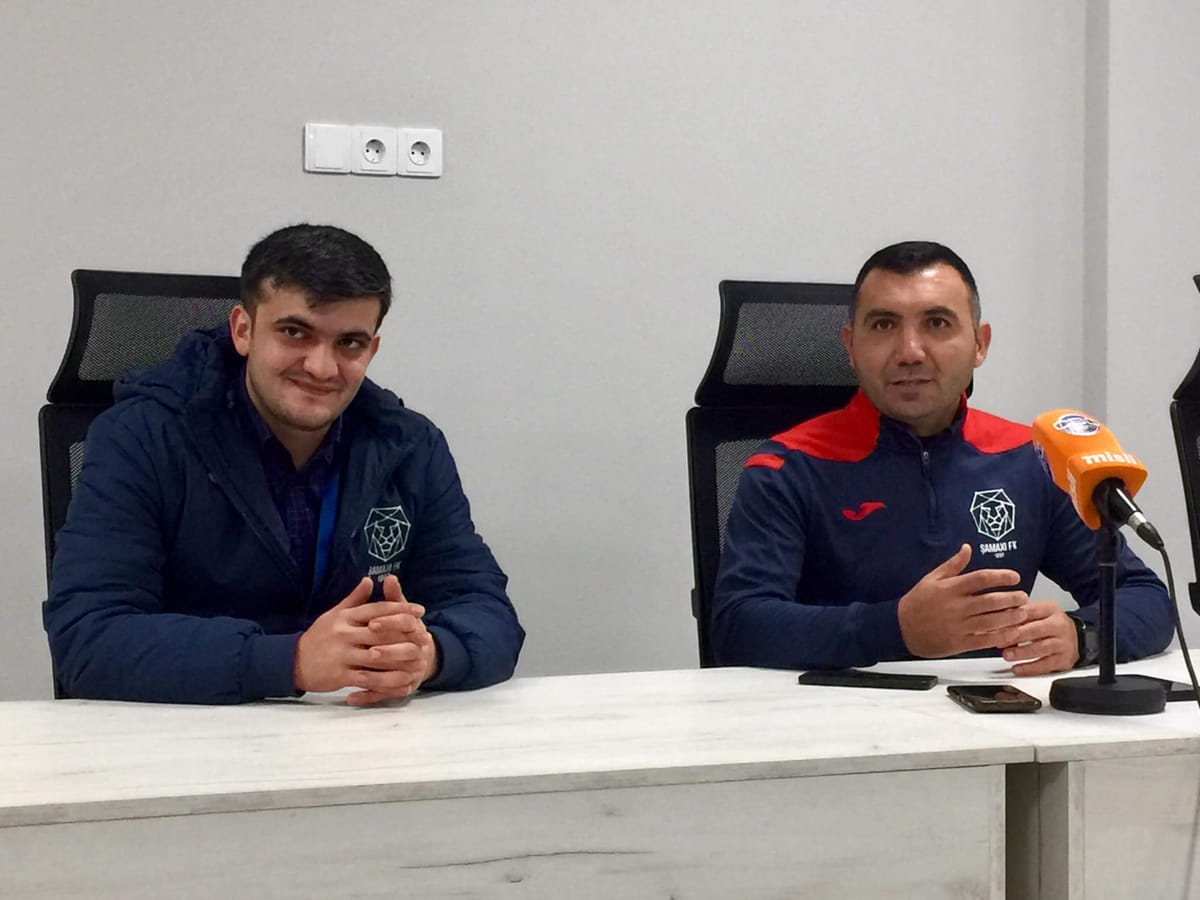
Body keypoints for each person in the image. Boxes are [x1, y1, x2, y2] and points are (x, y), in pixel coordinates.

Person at [45, 224, 524, 705]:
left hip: (358, 730)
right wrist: (291, 660)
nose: (321, 367)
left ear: (372, 349)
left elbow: (487, 610)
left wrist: (429, 654)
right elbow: (88, 638)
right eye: (295, 333)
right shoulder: (141, 436)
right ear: (243, 330)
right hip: (190, 733)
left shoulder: (408, 444)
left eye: (350, 343)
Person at [711, 240, 1173, 675]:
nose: (910, 352)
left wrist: (1080, 636)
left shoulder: (1031, 459)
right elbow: (738, 626)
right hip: (837, 719)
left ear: (980, 344)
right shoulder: (786, 467)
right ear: (850, 346)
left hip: (998, 712)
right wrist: (896, 629)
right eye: (884, 325)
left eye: (936, 323)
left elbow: (1145, 597)